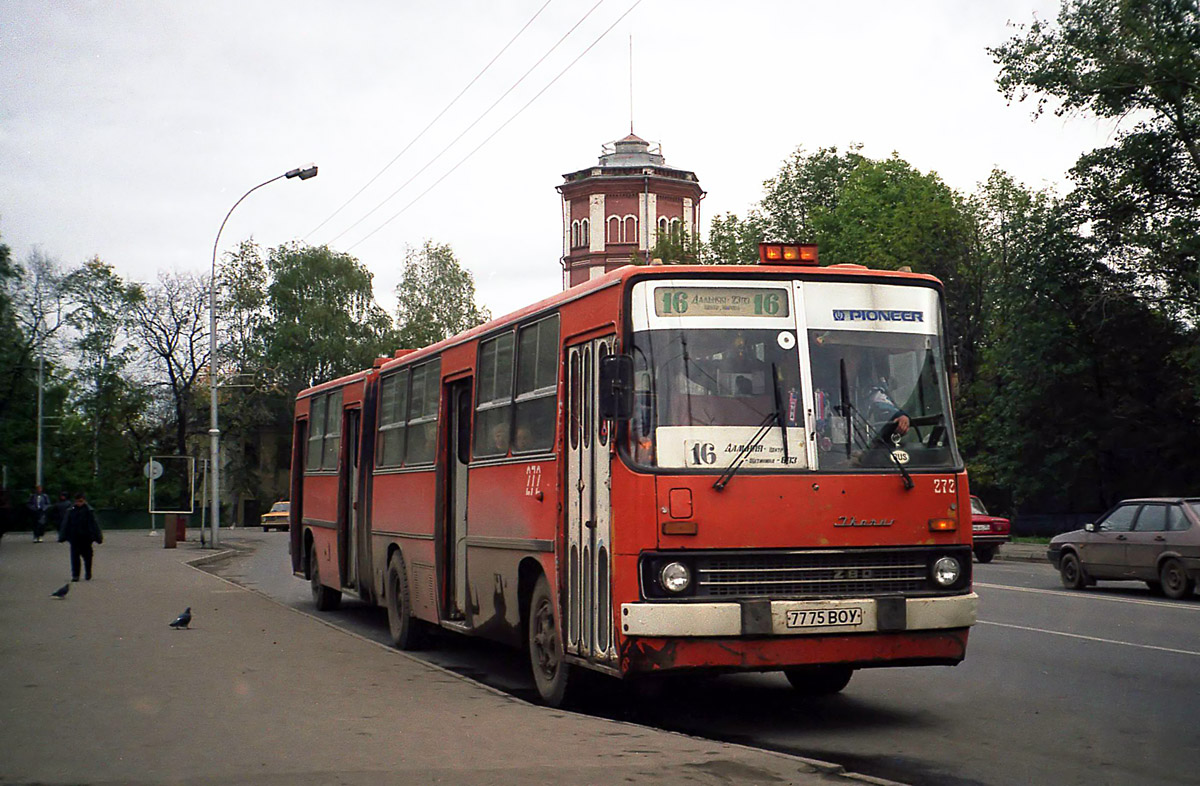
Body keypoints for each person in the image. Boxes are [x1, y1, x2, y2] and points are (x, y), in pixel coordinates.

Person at [58, 491, 103, 581]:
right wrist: (62, 536)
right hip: (74, 537)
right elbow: (65, 524)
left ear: (84, 501)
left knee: (88, 557)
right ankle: (75, 575)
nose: (79, 503)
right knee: (75, 557)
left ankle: (88, 572)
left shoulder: (89, 511)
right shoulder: (71, 511)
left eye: (81, 501)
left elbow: (94, 524)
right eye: (78, 501)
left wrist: (98, 537)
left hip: (87, 537)